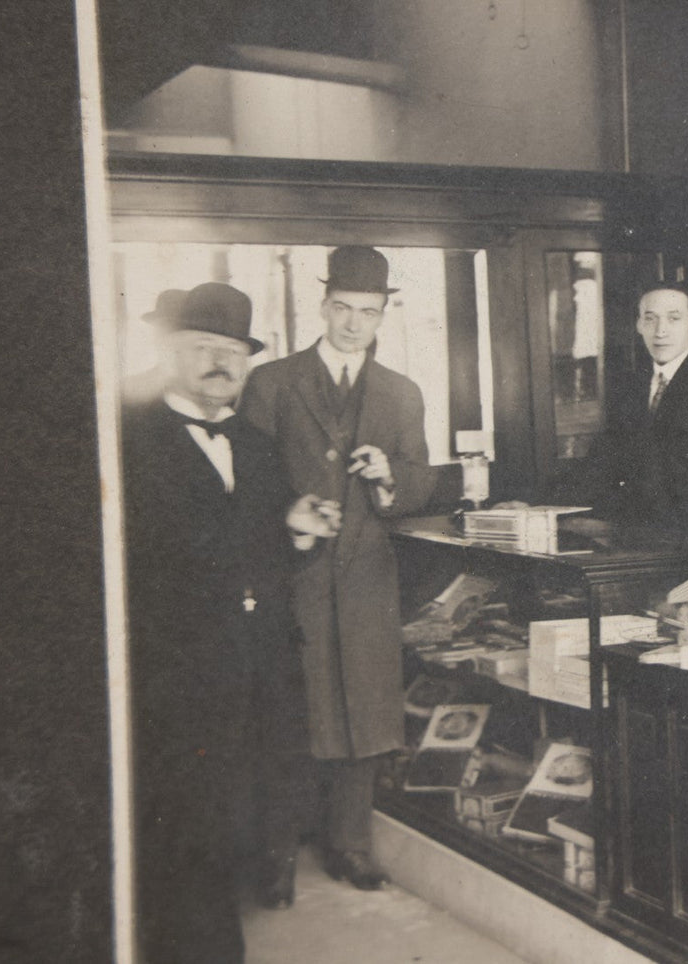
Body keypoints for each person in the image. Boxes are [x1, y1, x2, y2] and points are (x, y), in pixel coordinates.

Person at [123, 282, 341, 963]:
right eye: (202, 349)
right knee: (184, 820)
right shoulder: (125, 437)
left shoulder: (255, 443)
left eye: (233, 353)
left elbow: (268, 548)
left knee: (245, 807)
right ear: (167, 354)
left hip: (258, 667)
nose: (221, 364)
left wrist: (299, 532)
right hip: (174, 672)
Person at [239, 245, 437, 893]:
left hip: (365, 583)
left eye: (369, 313)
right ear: (323, 305)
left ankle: (350, 847)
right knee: (290, 716)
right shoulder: (271, 383)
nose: (354, 324)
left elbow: (418, 482)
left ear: (384, 316)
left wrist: (391, 479)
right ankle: (274, 856)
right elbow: (244, 486)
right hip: (292, 578)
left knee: (363, 718)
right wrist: (288, 517)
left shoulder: (401, 394)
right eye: (344, 308)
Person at [555, 281, 688, 531]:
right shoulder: (631, 384)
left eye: (673, 319)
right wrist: (538, 504)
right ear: (639, 325)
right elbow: (603, 461)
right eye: (650, 319)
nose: (660, 331)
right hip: (635, 528)